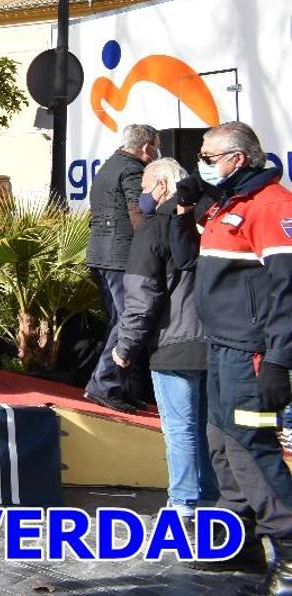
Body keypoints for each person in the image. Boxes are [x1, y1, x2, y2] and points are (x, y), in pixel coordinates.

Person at [186, 122, 292, 586]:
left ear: (239, 159)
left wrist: (279, 359)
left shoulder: (273, 206)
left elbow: (287, 291)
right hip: (221, 347)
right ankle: (239, 541)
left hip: (252, 354)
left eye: (209, 158)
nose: (202, 164)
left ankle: (289, 551)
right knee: (222, 445)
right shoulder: (230, 204)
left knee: (252, 448)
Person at [109, 157, 217, 524]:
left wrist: (124, 348)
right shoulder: (212, 218)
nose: (140, 197)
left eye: (143, 189)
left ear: (161, 186)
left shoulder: (155, 229)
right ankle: (211, 501)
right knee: (206, 428)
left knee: (180, 428)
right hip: (217, 342)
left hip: (174, 343)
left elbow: (142, 296)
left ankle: (184, 505)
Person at [83, 123, 162, 413]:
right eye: (156, 146)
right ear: (145, 148)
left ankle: (123, 387)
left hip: (101, 256)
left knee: (120, 321)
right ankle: (104, 384)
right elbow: (137, 210)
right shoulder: (132, 170)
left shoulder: (108, 166)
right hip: (121, 258)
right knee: (127, 322)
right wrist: (151, 246)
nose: (157, 153)